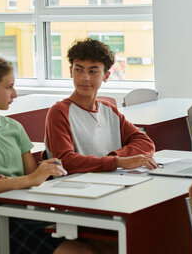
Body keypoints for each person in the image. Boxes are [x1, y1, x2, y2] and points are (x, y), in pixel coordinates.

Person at [0, 53, 107, 254]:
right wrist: (26, 180)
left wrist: (48, 171)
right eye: (9, 87)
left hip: (27, 204)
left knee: (108, 245)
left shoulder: (13, 127)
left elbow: (34, 178)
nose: (15, 94)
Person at [45, 38, 158, 175]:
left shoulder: (108, 109)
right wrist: (117, 162)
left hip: (109, 180)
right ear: (71, 71)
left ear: (106, 75)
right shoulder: (59, 112)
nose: (85, 78)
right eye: (79, 70)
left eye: (93, 71)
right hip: (76, 186)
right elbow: (66, 161)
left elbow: (145, 143)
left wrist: (113, 158)